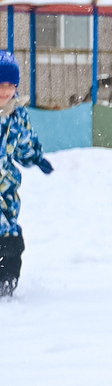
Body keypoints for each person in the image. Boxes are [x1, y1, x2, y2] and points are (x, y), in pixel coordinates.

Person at [0, 56, 55, 299]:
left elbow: (24, 144)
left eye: (10, 86)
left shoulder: (17, 116)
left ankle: (7, 284)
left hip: (6, 186)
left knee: (11, 236)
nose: (5, 91)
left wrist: (36, 157)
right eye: (0, 85)